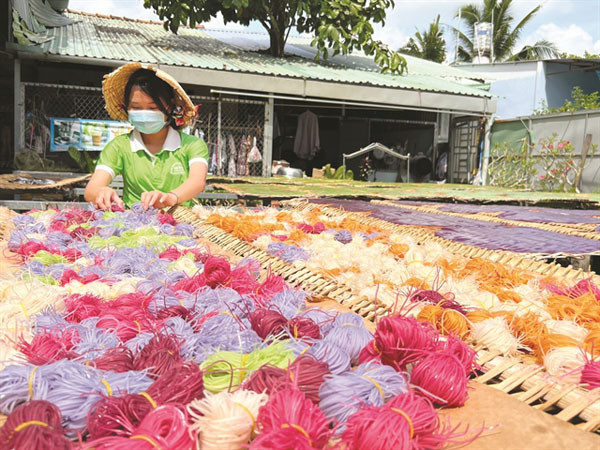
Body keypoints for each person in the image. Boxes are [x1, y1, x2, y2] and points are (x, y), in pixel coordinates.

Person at [84, 62, 208, 210]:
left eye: (153, 107)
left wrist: (170, 198)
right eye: (136, 108)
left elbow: (197, 181)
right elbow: (91, 189)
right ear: (126, 107)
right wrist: (101, 191)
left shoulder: (192, 145)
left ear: (170, 105)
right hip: (134, 224)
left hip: (181, 222)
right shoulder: (119, 146)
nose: (144, 113)